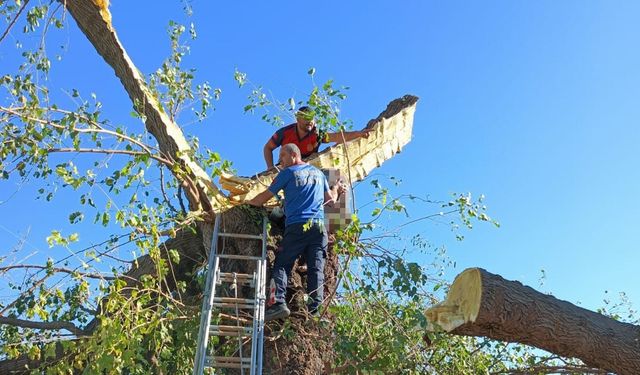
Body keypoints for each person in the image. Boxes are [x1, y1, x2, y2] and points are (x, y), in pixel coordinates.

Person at [248, 143, 345, 321]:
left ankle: (278, 304)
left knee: (282, 264)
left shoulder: (288, 173)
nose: (281, 162)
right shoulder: (317, 173)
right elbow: (331, 201)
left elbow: (264, 197)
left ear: (294, 155)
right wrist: (336, 189)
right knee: (316, 269)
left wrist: (247, 204)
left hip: (297, 225)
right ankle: (315, 312)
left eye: (282, 157)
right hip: (318, 229)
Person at [263, 106, 373, 169]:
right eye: (306, 118)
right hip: (286, 167)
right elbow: (268, 148)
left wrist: (358, 133)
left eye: (311, 118)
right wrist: (270, 167)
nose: (309, 121)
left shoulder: (317, 135)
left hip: (308, 167)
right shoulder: (285, 132)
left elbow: (337, 137)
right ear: (298, 119)